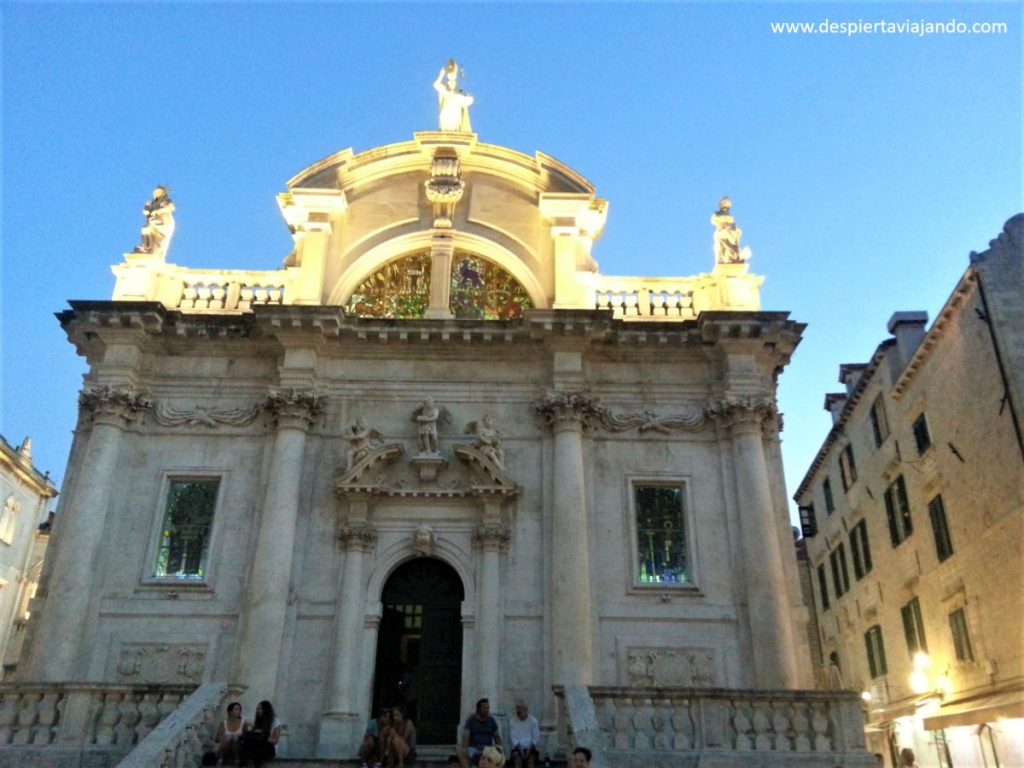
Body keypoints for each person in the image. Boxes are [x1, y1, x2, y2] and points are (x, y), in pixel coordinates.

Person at [134, 185, 176, 257]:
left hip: (163, 220)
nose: (156, 193)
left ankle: (149, 248)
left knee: (150, 226)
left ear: (163, 193)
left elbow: (171, 207)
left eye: (158, 192)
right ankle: (146, 247)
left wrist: (158, 211)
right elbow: (146, 211)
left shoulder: (166, 201)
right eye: (155, 192)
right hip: (152, 220)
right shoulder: (151, 203)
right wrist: (146, 210)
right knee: (145, 229)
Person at [433, 58, 474, 132]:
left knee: (455, 128)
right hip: (446, 112)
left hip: (455, 114)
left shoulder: (458, 92)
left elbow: (467, 101)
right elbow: (436, 85)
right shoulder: (445, 89)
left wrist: (469, 98)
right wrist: (440, 76)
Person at [459, 698, 500, 768]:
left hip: (488, 749)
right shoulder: (471, 720)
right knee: (461, 752)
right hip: (474, 748)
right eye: (484, 708)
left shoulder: (491, 720)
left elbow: (497, 737)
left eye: (488, 708)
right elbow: (465, 737)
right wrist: (465, 749)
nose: (487, 710)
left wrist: (499, 749)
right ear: (478, 709)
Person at [239, 700, 281, 767]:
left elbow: (275, 741)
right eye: (258, 708)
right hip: (257, 746)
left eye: (260, 708)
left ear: (266, 710)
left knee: (257, 747)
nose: (258, 710)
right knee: (246, 744)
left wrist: (263, 735)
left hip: (269, 748)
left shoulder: (275, 721)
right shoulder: (258, 721)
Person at [214, 701, 248, 766]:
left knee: (235, 741)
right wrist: (221, 736)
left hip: (238, 747)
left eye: (239, 709)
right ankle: (220, 759)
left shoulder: (243, 723)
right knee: (226, 739)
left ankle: (236, 760)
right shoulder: (224, 723)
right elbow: (216, 739)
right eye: (236, 709)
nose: (239, 711)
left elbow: (246, 737)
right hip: (225, 747)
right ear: (230, 711)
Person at [508, 701, 539, 768]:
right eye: (517, 708)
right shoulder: (513, 721)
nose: (518, 711)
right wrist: (521, 751)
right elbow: (513, 738)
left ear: (526, 710)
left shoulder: (533, 721)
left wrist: (528, 751)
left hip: (531, 748)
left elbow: (535, 739)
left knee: (530, 762)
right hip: (518, 748)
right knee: (517, 761)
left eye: (520, 708)